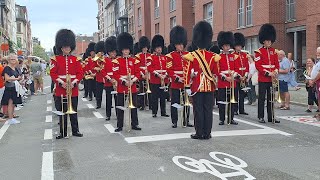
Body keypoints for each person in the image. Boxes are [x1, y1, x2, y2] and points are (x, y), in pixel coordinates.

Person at [183, 21, 219, 139]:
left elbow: (187, 73)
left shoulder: (192, 56)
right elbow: (216, 73)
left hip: (197, 88)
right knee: (208, 110)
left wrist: (187, 87)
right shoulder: (213, 57)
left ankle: (199, 133)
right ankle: (207, 133)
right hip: (209, 88)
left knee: (198, 111)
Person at [50, 29, 83, 139]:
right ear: (61, 47)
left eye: (68, 47)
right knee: (62, 112)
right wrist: (61, 83)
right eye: (64, 47)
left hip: (73, 88)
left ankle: (75, 130)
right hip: (61, 89)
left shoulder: (76, 59)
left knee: (73, 110)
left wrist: (73, 83)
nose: (67, 49)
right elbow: (53, 73)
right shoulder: (56, 59)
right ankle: (62, 132)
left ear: (71, 47)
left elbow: (79, 73)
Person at [112, 32, 141, 132]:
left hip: (132, 86)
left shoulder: (134, 61)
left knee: (133, 106)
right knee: (120, 107)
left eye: (127, 49)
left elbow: (138, 73)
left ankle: (135, 124)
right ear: (121, 50)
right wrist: (124, 82)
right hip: (122, 87)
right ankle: (119, 125)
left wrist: (132, 81)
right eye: (124, 50)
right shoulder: (117, 61)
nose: (126, 51)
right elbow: (115, 75)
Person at [166, 26, 193, 128]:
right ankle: (174, 121)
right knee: (175, 102)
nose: (180, 46)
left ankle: (186, 120)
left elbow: (191, 68)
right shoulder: (170, 56)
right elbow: (169, 70)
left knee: (186, 102)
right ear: (175, 45)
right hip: (176, 83)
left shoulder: (188, 55)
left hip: (186, 82)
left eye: (182, 44)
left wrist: (191, 76)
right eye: (178, 44)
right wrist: (178, 78)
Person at [255, 24, 280, 123]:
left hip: (272, 79)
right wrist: (267, 73)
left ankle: (271, 116)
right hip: (263, 79)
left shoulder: (274, 51)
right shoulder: (259, 52)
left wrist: (275, 71)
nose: (269, 42)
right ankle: (260, 116)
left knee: (271, 99)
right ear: (263, 41)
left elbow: (277, 64)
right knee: (262, 99)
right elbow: (258, 66)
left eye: (270, 40)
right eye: (267, 40)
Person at [217, 31, 240, 125]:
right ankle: (221, 119)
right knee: (222, 102)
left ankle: (231, 118)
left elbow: (236, 69)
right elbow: (217, 71)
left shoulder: (233, 57)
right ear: (222, 46)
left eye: (228, 45)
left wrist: (233, 77)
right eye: (225, 45)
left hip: (232, 82)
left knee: (231, 101)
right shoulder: (218, 57)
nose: (227, 47)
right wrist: (225, 78)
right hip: (223, 82)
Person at [147, 35, 170, 118]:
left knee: (163, 97)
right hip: (155, 80)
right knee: (155, 97)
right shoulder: (151, 58)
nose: (159, 49)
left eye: (160, 47)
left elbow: (168, 67)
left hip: (164, 79)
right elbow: (150, 68)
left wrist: (165, 75)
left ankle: (163, 112)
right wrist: (158, 74)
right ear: (154, 49)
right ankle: (154, 112)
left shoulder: (165, 57)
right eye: (157, 48)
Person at [1, 54, 22, 124]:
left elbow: (19, 75)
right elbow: (7, 78)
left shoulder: (15, 68)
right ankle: (10, 118)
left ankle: (12, 117)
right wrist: (16, 78)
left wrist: (19, 78)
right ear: (8, 60)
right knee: (10, 102)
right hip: (9, 87)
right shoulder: (7, 68)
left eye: (15, 59)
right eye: (12, 59)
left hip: (15, 87)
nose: (13, 60)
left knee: (13, 103)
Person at [233, 32, 249, 115]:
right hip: (236, 78)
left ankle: (242, 110)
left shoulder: (244, 55)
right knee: (235, 95)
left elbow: (247, 67)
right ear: (235, 46)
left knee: (242, 95)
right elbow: (233, 67)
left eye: (240, 46)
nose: (239, 47)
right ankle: (235, 109)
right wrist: (239, 76)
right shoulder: (233, 55)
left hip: (243, 78)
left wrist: (245, 76)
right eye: (237, 46)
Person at [102, 36, 117, 121]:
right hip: (108, 83)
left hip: (117, 83)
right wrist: (109, 79)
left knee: (117, 100)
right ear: (109, 52)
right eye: (112, 52)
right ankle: (108, 115)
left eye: (114, 52)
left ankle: (118, 114)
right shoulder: (105, 60)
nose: (113, 53)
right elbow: (103, 72)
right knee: (109, 100)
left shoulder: (118, 60)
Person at [135, 36, 152, 111]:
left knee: (150, 91)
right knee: (142, 91)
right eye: (144, 47)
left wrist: (148, 74)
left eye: (146, 47)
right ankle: (142, 104)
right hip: (142, 76)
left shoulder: (150, 56)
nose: (145, 49)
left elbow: (151, 66)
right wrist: (142, 74)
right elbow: (137, 67)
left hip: (149, 75)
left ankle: (150, 104)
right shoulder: (138, 56)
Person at [93, 41, 106, 109]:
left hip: (106, 77)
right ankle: (98, 103)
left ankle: (109, 104)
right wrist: (98, 68)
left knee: (108, 92)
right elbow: (93, 66)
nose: (101, 53)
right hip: (99, 77)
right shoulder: (96, 58)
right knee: (99, 92)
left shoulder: (106, 58)